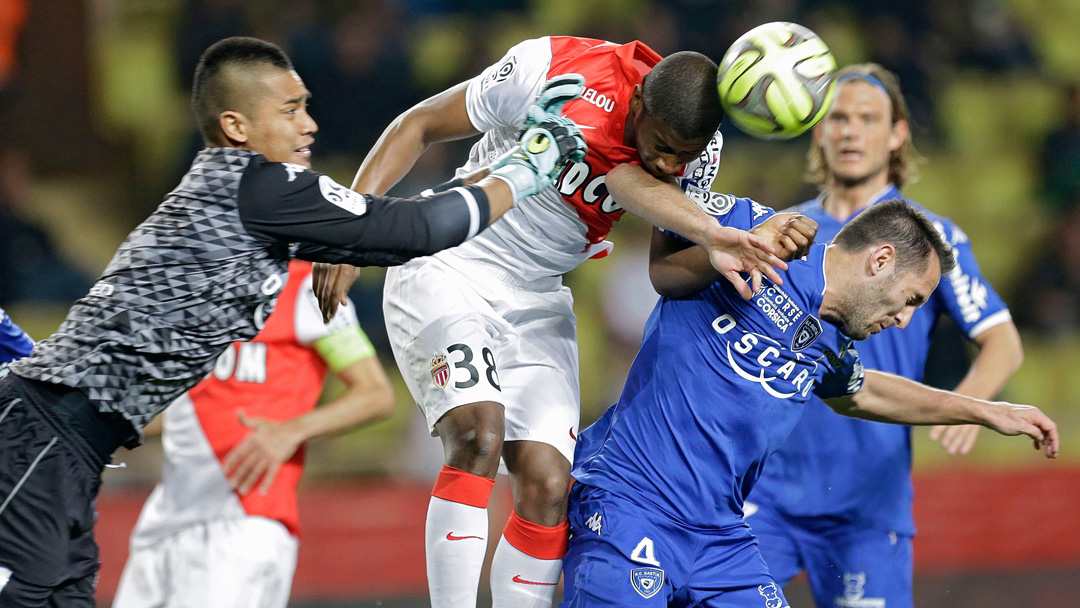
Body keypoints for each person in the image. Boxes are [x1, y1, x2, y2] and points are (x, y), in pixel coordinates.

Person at [0, 35, 588, 606]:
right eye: (290, 109)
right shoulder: (259, 187)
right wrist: (526, 168)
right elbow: (415, 232)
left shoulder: (220, 194)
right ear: (237, 127)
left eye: (306, 106)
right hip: (43, 436)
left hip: (64, 443)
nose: (309, 124)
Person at [314, 36, 799, 608]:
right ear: (639, 102)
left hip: (539, 294)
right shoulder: (554, 67)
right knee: (478, 433)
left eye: (683, 157)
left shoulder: (701, 148)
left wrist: (726, 251)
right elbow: (418, 124)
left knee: (548, 486)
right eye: (663, 147)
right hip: (454, 260)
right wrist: (352, 229)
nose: (671, 165)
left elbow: (665, 273)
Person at [563, 198, 1057, 608]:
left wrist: (987, 411)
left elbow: (863, 392)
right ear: (880, 260)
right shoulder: (758, 235)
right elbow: (658, 211)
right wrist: (722, 234)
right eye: (911, 299)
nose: (905, 320)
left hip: (721, 535)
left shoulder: (832, 341)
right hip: (631, 502)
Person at [732, 64, 1021, 608]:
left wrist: (971, 402)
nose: (850, 131)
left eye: (868, 119)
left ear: (897, 135)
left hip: (867, 504)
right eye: (838, 117)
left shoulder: (930, 242)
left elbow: (1003, 340)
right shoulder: (784, 229)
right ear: (818, 130)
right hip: (765, 493)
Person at [112, 260, 394, 608]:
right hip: (167, 515)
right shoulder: (195, 283)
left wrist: (291, 430)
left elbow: (375, 394)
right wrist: (106, 430)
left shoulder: (308, 287)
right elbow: (193, 406)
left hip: (243, 519)